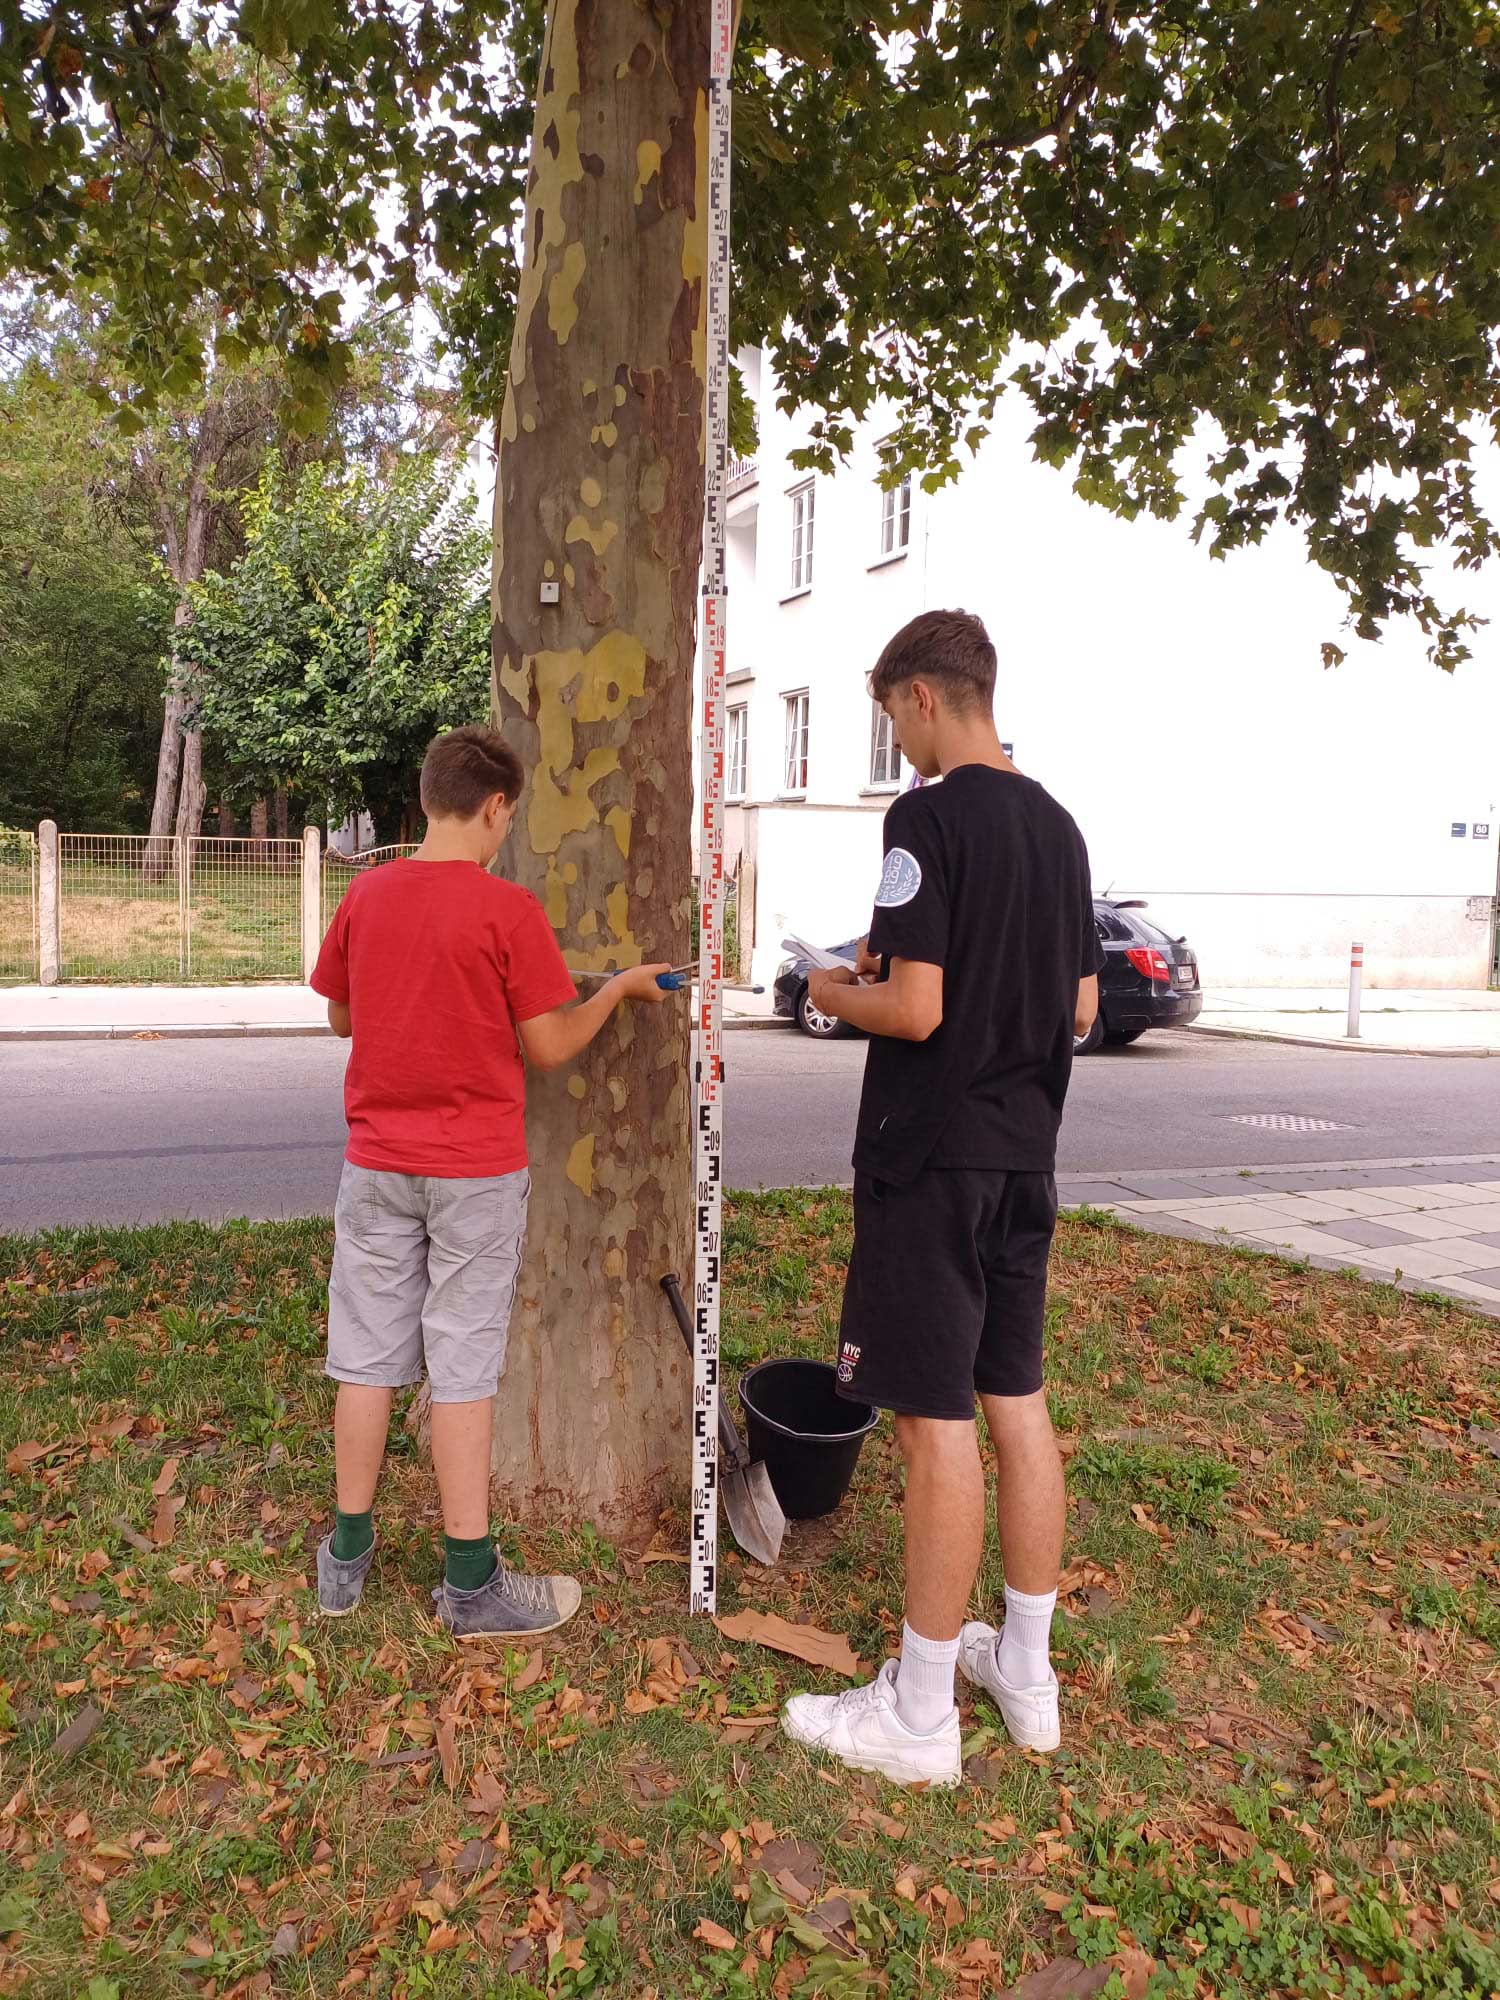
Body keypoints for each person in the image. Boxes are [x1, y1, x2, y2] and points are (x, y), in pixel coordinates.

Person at [781, 609, 1102, 1786]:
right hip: (1026, 1154)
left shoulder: (925, 815)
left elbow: (914, 1007)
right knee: (1015, 1395)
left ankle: (918, 1711)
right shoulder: (1060, 828)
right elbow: (1075, 1007)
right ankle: (1025, 1666)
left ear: (923, 696)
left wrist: (829, 988)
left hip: (931, 1162)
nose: (898, 744)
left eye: (892, 718)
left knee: (931, 1422)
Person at [309, 725, 672, 1637]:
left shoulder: (365, 894)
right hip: (473, 1173)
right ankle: (470, 1582)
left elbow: (340, 1019)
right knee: (461, 1367)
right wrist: (618, 991)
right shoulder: (506, 911)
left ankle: (346, 1559)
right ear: (496, 806)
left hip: (376, 1163)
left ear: (428, 796)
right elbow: (546, 1045)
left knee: (365, 1358)